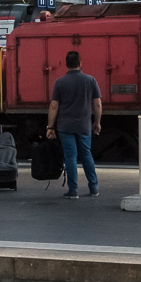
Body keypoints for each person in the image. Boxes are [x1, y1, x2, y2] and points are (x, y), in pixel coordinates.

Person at [46, 51, 102, 199]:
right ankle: (94, 188)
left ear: (66, 64)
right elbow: (97, 104)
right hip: (84, 125)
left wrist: (50, 127)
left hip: (65, 126)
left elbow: (53, 106)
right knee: (86, 154)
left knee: (70, 157)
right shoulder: (91, 80)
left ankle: (73, 191)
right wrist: (97, 122)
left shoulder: (59, 82)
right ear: (80, 63)